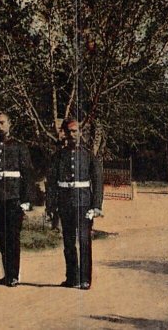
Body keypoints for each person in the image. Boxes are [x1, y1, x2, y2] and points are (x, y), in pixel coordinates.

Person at [48, 118, 103, 290]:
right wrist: (51, 206)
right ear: (64, 133)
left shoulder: (88, 156)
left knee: (84, 241)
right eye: (69, 131)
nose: (72, 134)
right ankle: (72, 277)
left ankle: (85, 279)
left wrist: (96, 206)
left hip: (84, 204)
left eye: (75, 131)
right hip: (65, 203)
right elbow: (51, 183)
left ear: (80, 133)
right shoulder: (58, 157)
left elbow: (97, 181)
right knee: (69, 242)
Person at [0, 110, 34, 287]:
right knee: (2, 237)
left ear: (10, 124)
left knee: (13, 237)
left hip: (14, 198)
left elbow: (27, 174)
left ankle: (14, 275)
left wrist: (26, 199)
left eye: (2, 122)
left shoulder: (19, 147)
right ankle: (7, 274)